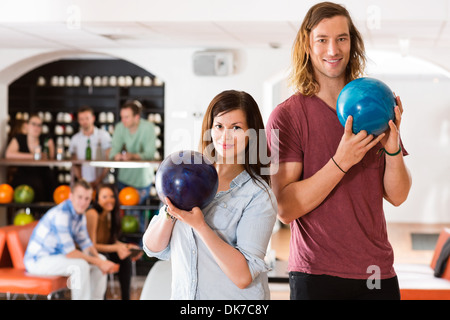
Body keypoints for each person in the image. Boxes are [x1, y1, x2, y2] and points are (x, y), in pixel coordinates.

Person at [266, 2, 412, 300]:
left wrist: (393, 149)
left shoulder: (374, 104)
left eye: (341, 39)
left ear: (352, 43)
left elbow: (397, 196)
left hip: (376, 271)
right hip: (316, 273)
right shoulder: (288, 116)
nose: (333, 50)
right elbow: (285, 209)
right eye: (322, 40)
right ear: (307, 45)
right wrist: (341, 162)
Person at [143, 90, 277, 299]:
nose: (225, 136)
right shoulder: (189, 177)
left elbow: (244, 276)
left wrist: (200, 226)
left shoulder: (258, 194)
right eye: (219, 126)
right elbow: (152, 248)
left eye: (236, 128)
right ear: (209, 128)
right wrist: (171, 212)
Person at [24, 179, 118, 300]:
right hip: (38, 261)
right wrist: (100, 263)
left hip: (57, 257)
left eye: (87, 199)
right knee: (80, 266)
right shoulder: (61, 215)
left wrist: (100, 260)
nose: (83, 203)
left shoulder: (80, 215)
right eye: (80, 197)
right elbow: (70, 253)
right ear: (71, 196)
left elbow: (87, 244)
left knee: (101, 258)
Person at [85, 183, 142, 300]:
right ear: (97, 199)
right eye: (104, 197)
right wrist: (117, 248)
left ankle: (126, 297)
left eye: (112, 196)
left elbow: (111, 240)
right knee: (104, 258)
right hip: (91, 254)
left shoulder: (110, 214)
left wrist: (128, 247)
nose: (109, 200)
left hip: (104, 250)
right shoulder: (92, 214)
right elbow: (92, 245)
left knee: (125, 259)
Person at [109, 100, 157, 231]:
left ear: (137, 117)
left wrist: (132, 156)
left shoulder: (148, 128)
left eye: (126, 117)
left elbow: (150, 154)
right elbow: (113, 151)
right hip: (123, 179)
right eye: (122, 117)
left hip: (142, 181)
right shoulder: (120, 127)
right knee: (122, 216)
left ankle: (142, 247)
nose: (123, 120)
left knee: (138, 216)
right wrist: (116, 155)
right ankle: (123, 244)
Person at [5, 113, 56, 202]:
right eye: (33, 124)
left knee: (50, 181)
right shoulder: (19, 138)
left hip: (43, 174)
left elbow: (51, 157)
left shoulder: (46, 139)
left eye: (39, 125)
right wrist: (33, 156)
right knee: (35, 183)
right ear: (27, 125)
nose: (36, 127)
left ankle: (45, 211)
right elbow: (8, 154)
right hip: (24, 173)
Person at [69, 106, 112, 189]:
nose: (84, 121)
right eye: (81, 119)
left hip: (102, 182)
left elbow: (109, 158)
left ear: (93, 118)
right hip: (83, 183)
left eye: (87, 118)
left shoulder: (104, 136)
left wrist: (98, 180)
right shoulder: (75, 139)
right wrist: (82, 180)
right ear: (78, 120)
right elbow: (74, 162)